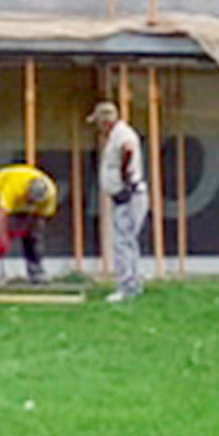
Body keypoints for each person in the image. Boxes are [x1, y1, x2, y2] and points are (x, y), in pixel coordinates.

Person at [89, 100, 147, 303]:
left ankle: (127, 287)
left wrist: (124, 178)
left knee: (123, 241)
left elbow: (128, 150)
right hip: (127, 194)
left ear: (105, 122)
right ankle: (133, 283)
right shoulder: (117, 134)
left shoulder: (122, 134)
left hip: (128, 194)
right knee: (127, 241)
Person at [0, 162, 59, 286]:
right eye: (31, 200)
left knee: (34, 236)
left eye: (36, 201)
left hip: (21, 196)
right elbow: (0, 216)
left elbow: (41, 220)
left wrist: (27, 231)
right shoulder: (13, 188)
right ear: (26, 193)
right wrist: (4, 240)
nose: (32, 204)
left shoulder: (50, 194)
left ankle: (36, 270)